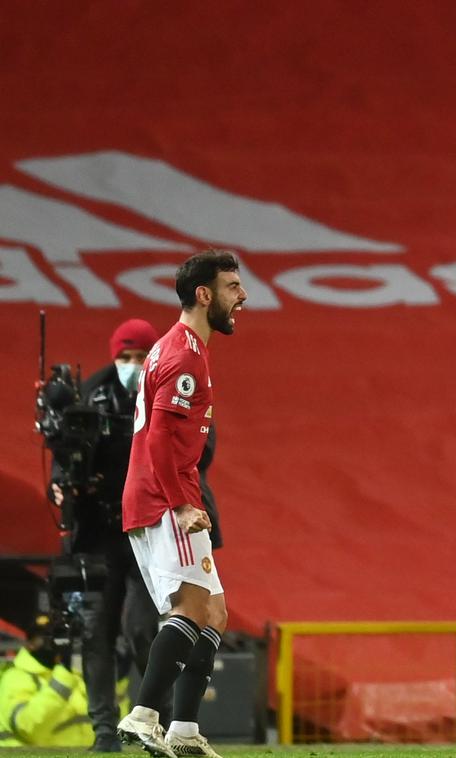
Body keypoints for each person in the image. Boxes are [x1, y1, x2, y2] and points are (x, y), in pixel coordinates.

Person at [116, 249, 246, 758]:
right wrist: (180, 503)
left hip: (172, 494)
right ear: (204, 294)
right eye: (233, 286)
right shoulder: (183, 354)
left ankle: (185, 731)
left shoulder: (188, 345)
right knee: (190, 606)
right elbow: (159, 439)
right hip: (162, 499)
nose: (243, 296)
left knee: (214, 612)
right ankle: (144, 715)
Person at [47, 318, 165, 752]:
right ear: (113, 355)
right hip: (98, 533)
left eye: (140, 356)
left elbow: (199, 451)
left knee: (140, 629)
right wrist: (59, 483)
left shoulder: (169, 391)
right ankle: (103, 732)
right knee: (94, 631)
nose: (132, 365)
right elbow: (64, 455)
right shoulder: (90, 394)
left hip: (148, 531)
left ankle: (162, 723)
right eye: (125, 356)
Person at [0, 614, 95, 747]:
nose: (54, 643)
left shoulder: (75, 674)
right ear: (30, 644)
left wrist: (119, 677)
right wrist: (64, 676)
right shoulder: (16, 677)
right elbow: (28, 726)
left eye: (58, 637)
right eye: (45, 638)